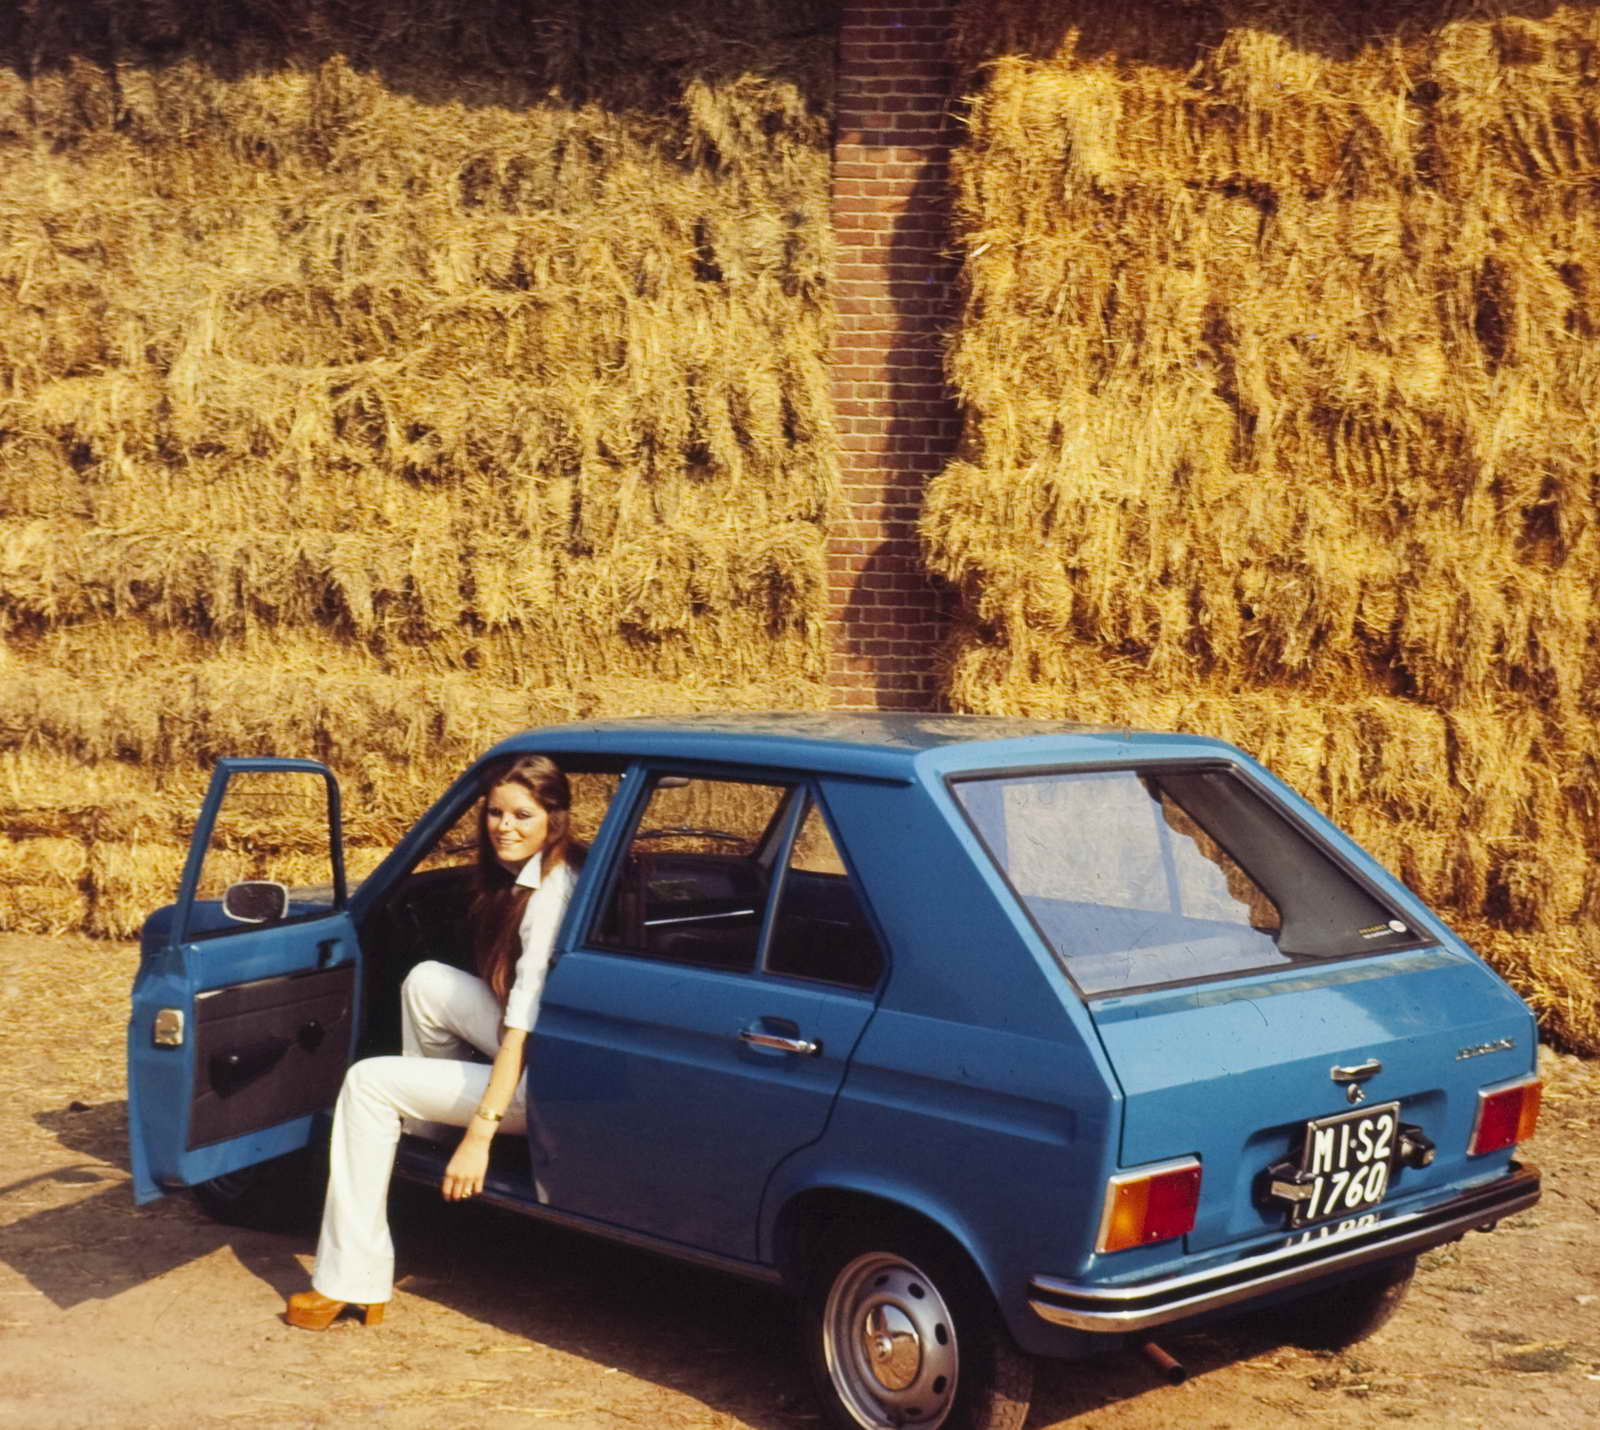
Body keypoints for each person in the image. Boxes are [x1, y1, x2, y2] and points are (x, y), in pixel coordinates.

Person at [285, 754, 579, 1330]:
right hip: (556, 1049)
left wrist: (480, 1136)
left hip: (542, 1082)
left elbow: (519, 1034)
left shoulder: (546, 900)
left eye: (522, 815)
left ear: (554, 818)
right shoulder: (553, 869)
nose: (504, 827)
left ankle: (350, 1282)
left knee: (367, 1083)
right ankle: (427, 1132)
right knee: (426, 982)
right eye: (495, 813)